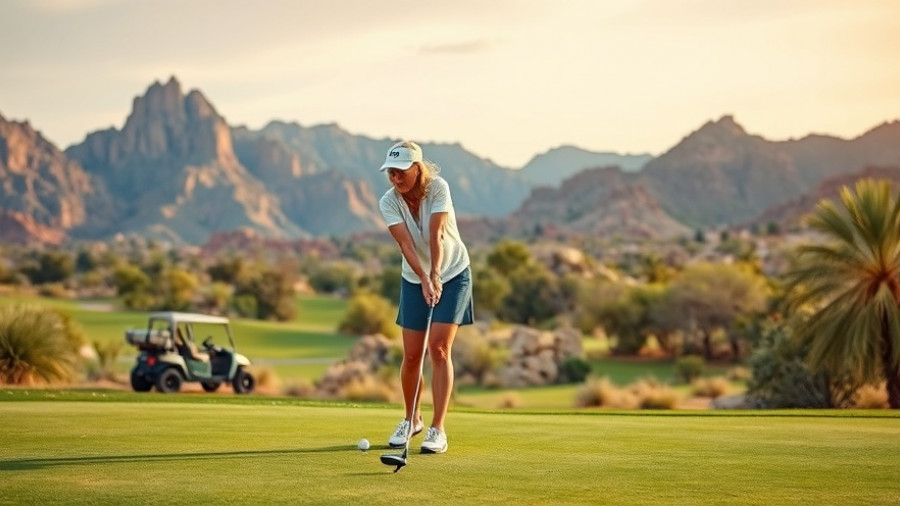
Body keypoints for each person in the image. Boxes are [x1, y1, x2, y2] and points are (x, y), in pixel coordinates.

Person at [378, 140, 474, 454]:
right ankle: (411, 419)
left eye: (401, 171)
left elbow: (436, 234)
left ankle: (438, 429)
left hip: (453, 273)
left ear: (417, 168)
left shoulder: (438, 188)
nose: (395, 178)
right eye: (391, 173)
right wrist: (423, 277)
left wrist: (435, 275)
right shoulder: (388, 201)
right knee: (411, 355)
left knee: (439, 349)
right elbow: (406, 245)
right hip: (413, 277)